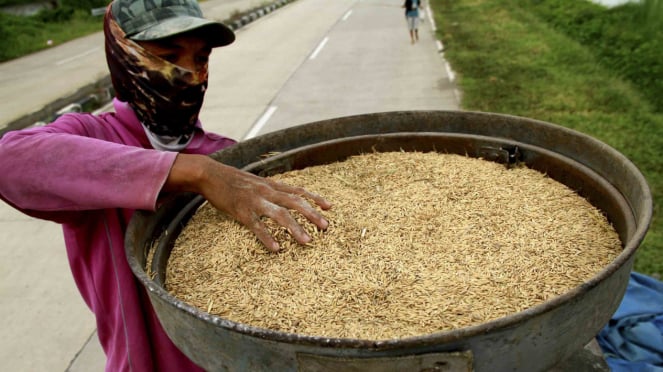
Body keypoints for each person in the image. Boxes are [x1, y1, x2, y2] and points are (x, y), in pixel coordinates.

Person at [0, 0, 331, 371]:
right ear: (124, 59)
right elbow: (10, 160)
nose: (190, 73)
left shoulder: (227, 158)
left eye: (201, 59)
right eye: (168, 56)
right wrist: (195, 173)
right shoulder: (93, 136)